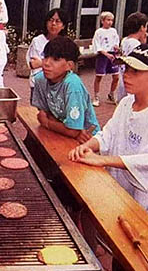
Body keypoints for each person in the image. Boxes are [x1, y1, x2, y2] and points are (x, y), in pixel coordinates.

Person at [69, 44, 148, 270]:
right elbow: (109, 132)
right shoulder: (125, 103)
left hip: (143, 198)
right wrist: (90, 146)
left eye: (136, 71)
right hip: (121, 191)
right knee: (119, 248)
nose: (127, 76)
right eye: (126, 70)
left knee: (135, 255)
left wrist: (103, 160)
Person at [31, 36, 100, 144]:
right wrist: (61, 126)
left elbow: (73, 131)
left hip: (87, 139)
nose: (46, 63)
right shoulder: (40, 79)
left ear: (69, 66)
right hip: (63, 133)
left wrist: (48, 123)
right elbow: (43, 114)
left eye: (56, 59)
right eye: (45, 56)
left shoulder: (72, 85)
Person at [26, 8, 67, 102]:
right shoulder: (37, 41)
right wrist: (56, 64)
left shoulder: (65, 43)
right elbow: (33, 64)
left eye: (58, 21)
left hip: (58, 87)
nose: (53, 24)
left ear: (63, 26)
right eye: (51, 20)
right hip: (38, 85)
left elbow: (67, 66)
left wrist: (41, 63)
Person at [117, 12, 148, 103]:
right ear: (142, 27)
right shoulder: (135, 44)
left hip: (123, 77)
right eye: (146, 26)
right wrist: (143, 43)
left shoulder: (125, 40)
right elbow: (141, 59)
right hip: (133, 81)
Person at [91, 11, 120, 107]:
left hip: (112, 55)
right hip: (103, 56)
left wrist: (116, 46)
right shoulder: (98, 32)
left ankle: (111, 94)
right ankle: (96, 96)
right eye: (108, 20)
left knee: (116, 76)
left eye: (111, 20)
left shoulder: (114, 31)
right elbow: (97, 46)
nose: (110, 22)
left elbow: (116, 41)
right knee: (99, 76)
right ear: (102, 21)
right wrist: (106, 54)